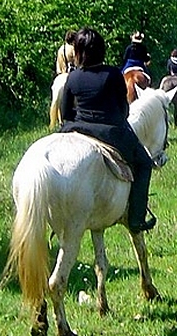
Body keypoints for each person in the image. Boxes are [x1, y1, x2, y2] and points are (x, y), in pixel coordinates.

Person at [59, 27, 156, 233]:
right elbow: (123, 109)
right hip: (110, 133)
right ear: (101, 50)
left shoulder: (72, 77)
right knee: (144, 163)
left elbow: (65, 112)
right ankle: (137, 219)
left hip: (76, 129)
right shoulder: (112, 74)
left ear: (78, 51)